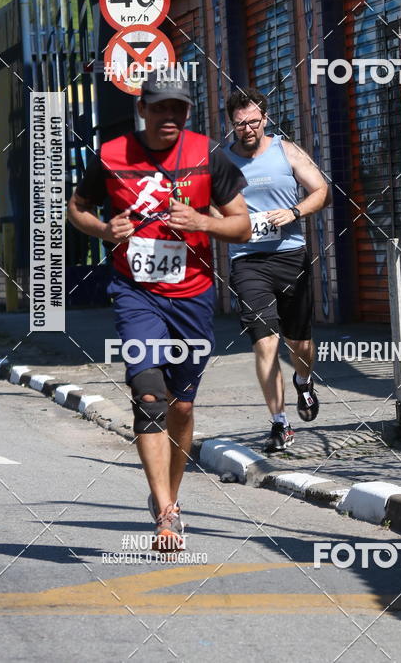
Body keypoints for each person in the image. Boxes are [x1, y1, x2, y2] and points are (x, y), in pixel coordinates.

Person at [67, 71, 250, 548]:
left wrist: (205, 222)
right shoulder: (111, 156)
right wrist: (105, 232)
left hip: (192, 295)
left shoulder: (208, 155)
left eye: (178, 108)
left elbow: (244, 227)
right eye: (161, 107)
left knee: (182, 405)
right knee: (148, 394)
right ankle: (165, 512)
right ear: (143, 109)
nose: (170, 116)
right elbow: (78, 208)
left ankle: (171, 492)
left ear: (187, 112)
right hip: (135, 292)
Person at [222, 88, 330, 453]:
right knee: (265, 343)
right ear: (231, 125)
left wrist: (295, 212)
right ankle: (280, 424)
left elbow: (320, 190)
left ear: (265, 119)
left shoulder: (287, 151)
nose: (248, 129)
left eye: (254, 121)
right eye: (241, 124)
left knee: (299, 343)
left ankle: (304, 379)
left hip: (290, 256)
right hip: (247, 262)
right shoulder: (221, 162)